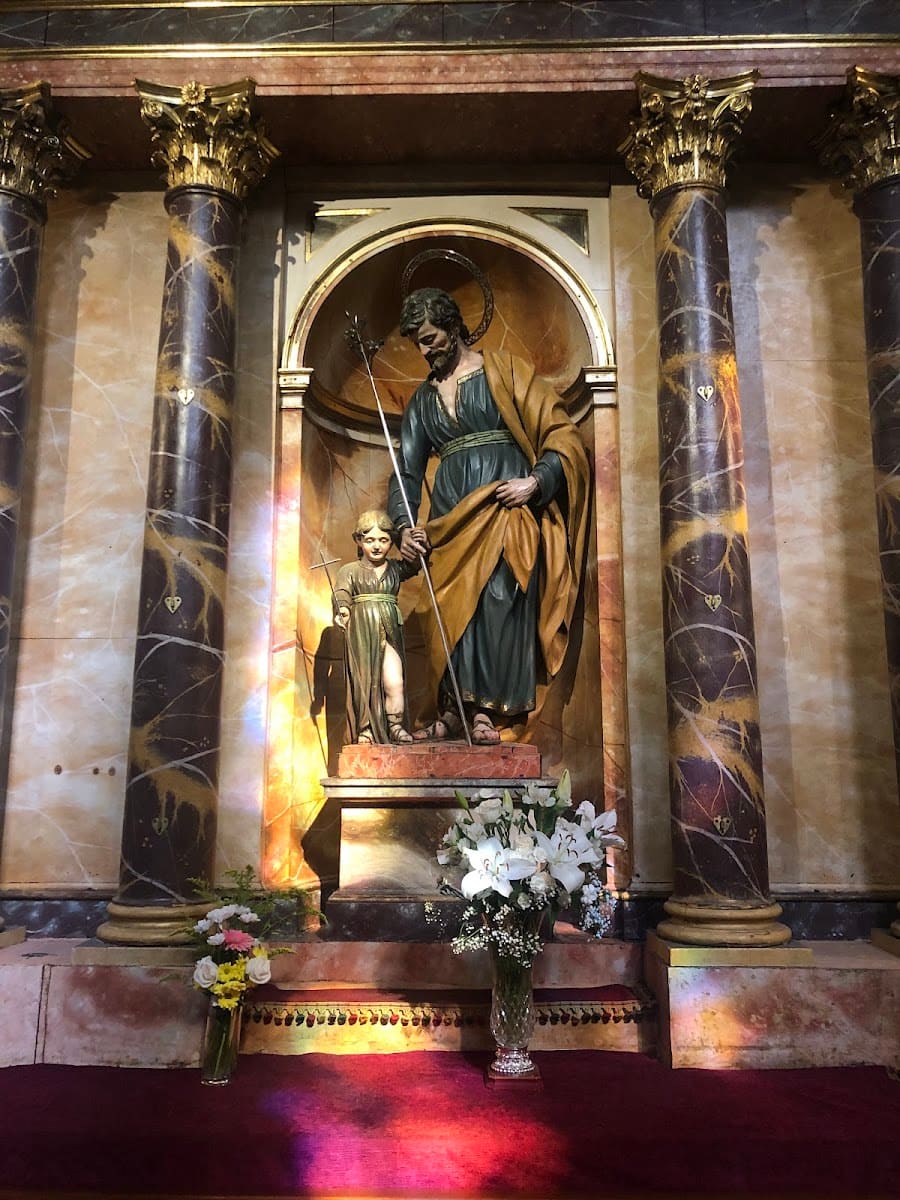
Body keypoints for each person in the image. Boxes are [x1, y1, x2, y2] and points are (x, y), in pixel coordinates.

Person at [388, 287, 590, 745]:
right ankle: (454, 709)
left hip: (504, 509)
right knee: (450, 610)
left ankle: (488, 712)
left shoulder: (506, 371)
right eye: (418, 344)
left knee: (499, 600)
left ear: (453, 326)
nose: (425, 351)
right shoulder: (422, 400)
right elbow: (406, 471)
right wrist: (403, 527)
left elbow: (562, 435)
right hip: (450, 520)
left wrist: (536, 481)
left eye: (429, 338)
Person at [333, 509, 423, 745]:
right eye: (370, 540)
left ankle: (395, 726)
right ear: (358, 540)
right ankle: (366, 728)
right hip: (362, 631)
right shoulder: (349, 571)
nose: (376, 546)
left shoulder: (394, 569)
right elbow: (341, 592)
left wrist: (419, 542)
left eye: (383, 540)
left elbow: (416, 564)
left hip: (390, 629)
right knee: (365, 681)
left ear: (392, 541)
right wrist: (343, 610)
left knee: (395, 681)